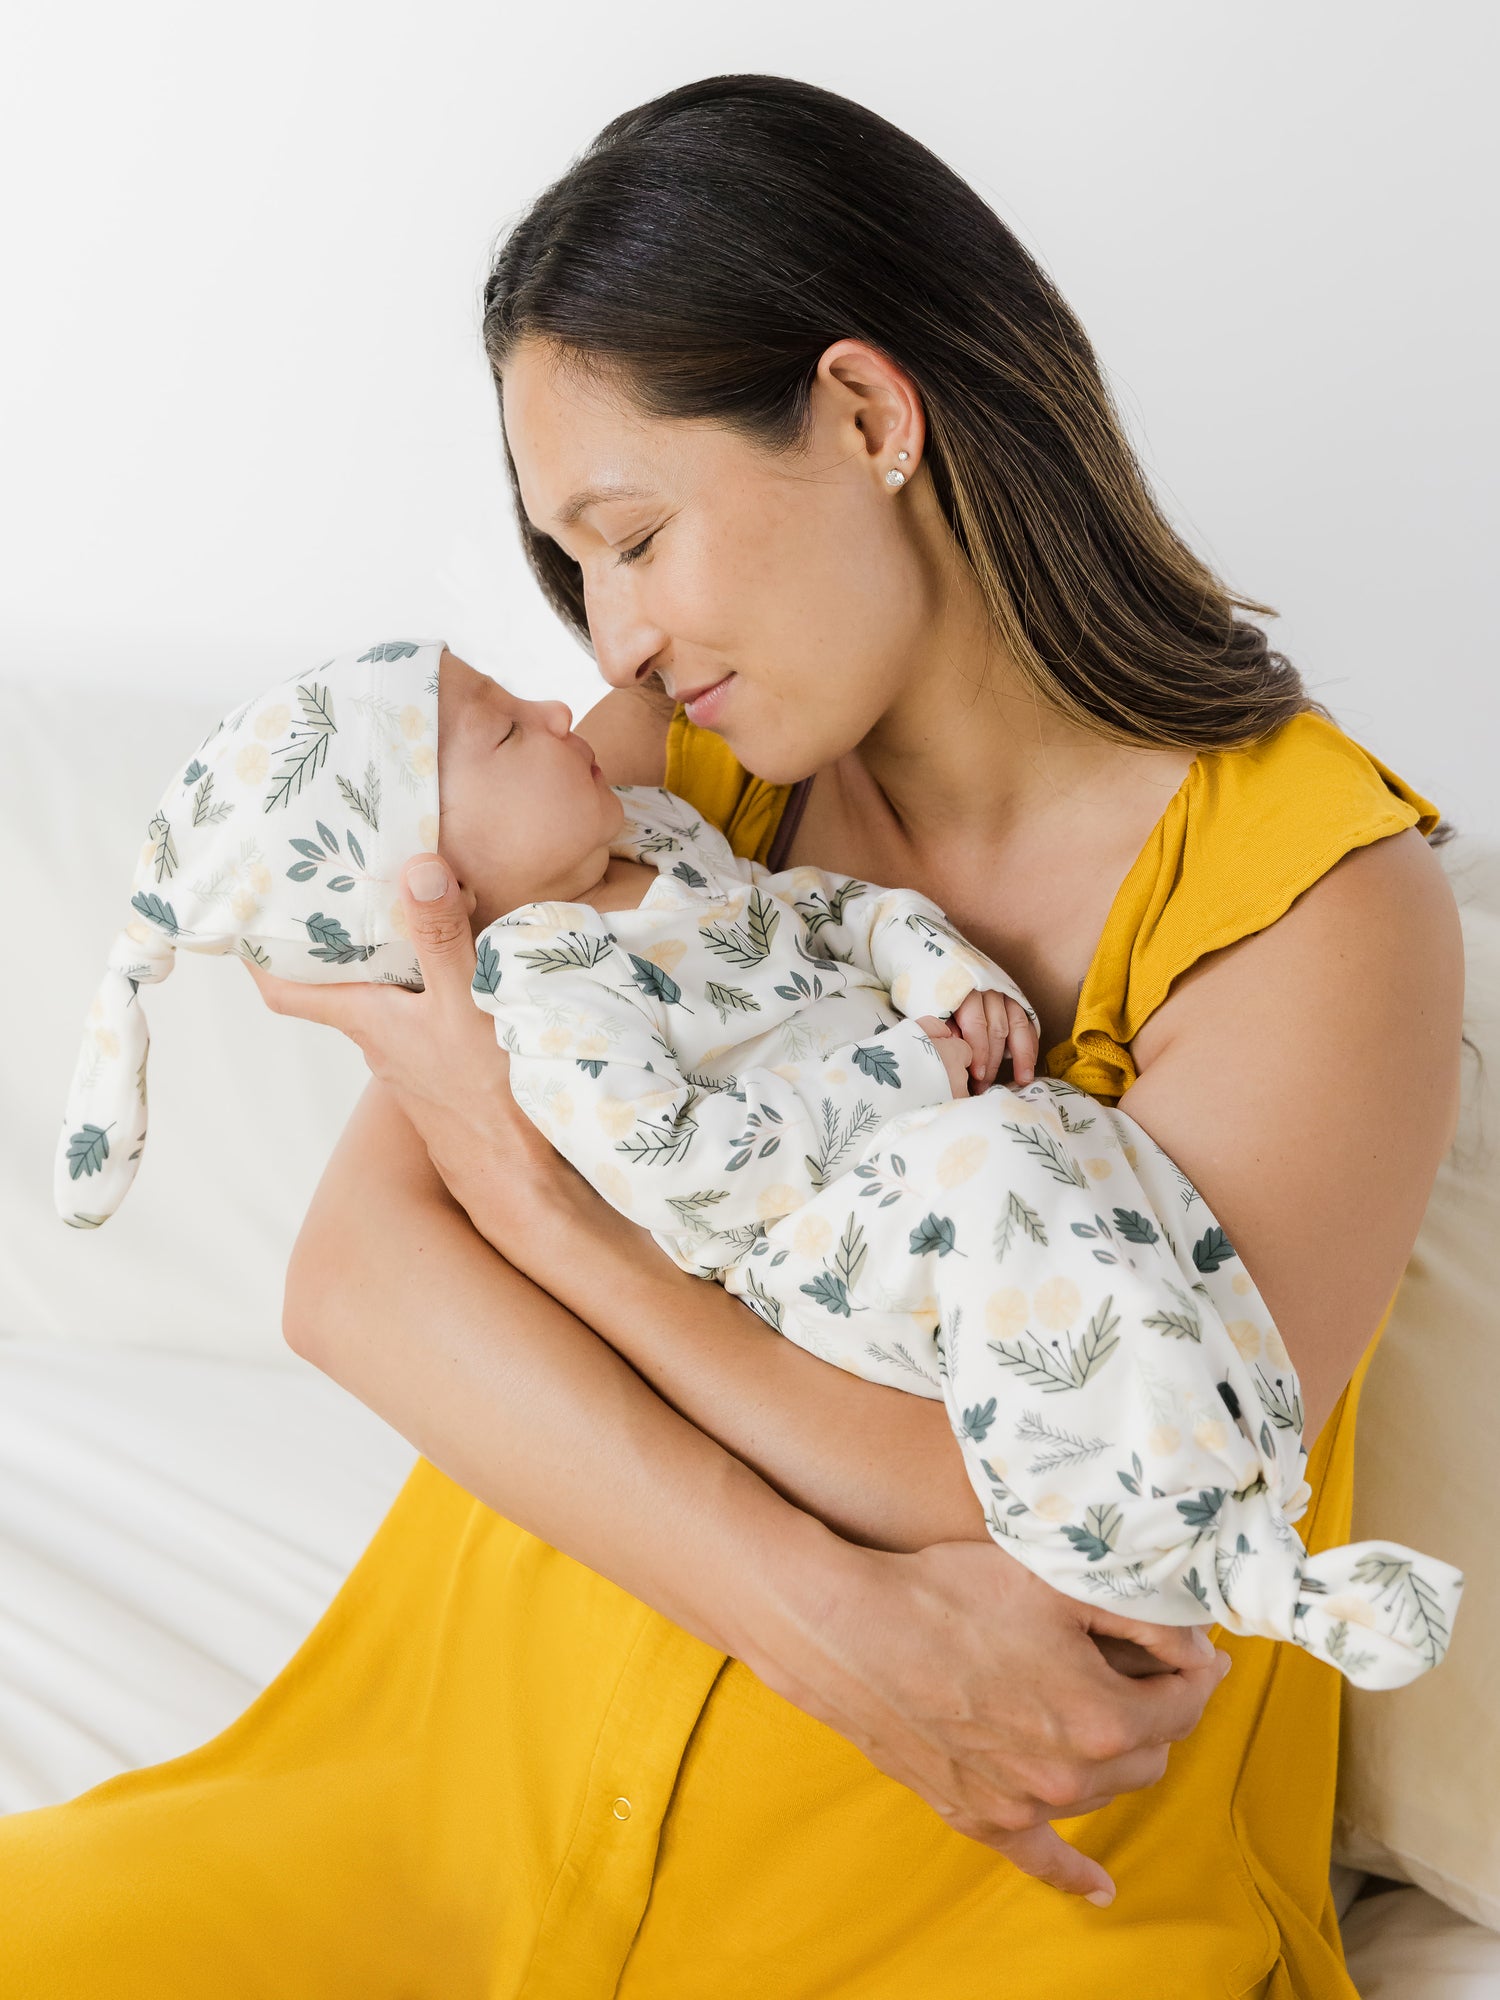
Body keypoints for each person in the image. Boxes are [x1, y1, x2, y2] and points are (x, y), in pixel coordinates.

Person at [0, 73, 1464, 1999]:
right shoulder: (655, 780)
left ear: (866, 415)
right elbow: (359, 1278)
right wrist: (830, 1622)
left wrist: (535, 1206)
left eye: (633, 534)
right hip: (438, 1811)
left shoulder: (1317, 907)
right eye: (569, 569)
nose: (605, 641)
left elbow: (1068, 1497)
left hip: (990, 1914)